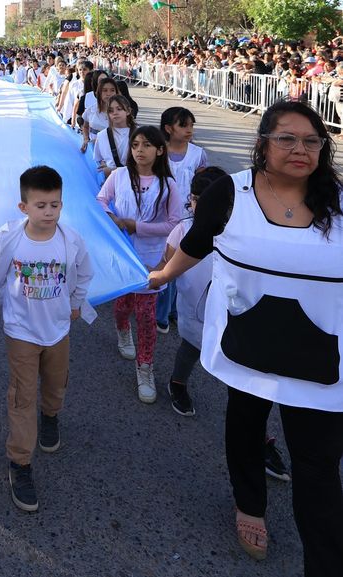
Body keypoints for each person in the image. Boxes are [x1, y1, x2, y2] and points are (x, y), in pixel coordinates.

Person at [149, 101, 343, 573]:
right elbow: (196, 244)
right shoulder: (229, 193)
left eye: (312, 141)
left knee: (318, 469)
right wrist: (158, 277)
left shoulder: (339, 200)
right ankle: (249, 505)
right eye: (287, 139)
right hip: (247, 347)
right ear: (261, 144)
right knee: (245, 426)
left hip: (321, 359)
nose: (301, 149)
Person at [0, 165, 95, 512]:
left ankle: (52, 415)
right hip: (21, 331)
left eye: (55, 205)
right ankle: (20, 462)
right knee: (22, 395)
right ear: (23, 207)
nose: (49, 212)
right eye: (41, 205)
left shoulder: (70, 239)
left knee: (56, 383)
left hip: (58, 329)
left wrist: (74, 304)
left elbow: (85, 272)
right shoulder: (8, 237)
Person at [96, 126, 182, 403]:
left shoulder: (169, 185)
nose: (139, 150)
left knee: (146, 316)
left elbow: (174, 223)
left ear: (159, 150)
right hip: (120, 258)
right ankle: (123, 332)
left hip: (151, 262)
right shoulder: (119, 176)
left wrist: (136, 226)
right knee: (122, 306)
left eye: (146, 145)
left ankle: (145, 367)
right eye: (135, 145)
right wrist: (111, 218)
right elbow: (101, 201)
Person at [157, 166, 227, 416]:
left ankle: (248, 417)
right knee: (191, 347)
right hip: (193, 306)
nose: (200, 206)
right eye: (196, 199)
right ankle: (178, 383)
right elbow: (167, 266)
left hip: (229, 308)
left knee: (236, 360)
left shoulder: (237, 233)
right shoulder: (183, 230)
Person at [156, 106, 210, 334]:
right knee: (165, 263)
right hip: (161, 218)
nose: (189, 130)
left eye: (191, 125)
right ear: (168, 128)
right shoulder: (159, 152)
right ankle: (161, 313)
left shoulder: (198, 154)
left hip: (187, 218)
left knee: (182, 264)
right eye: (183, 125)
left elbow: (202, 185)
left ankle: (174, 311)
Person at [93, 95, 136, 178]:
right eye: (110, 111)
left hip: (134, 179)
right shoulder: (102, 135)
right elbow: (99, 160)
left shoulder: (139, 133)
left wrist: (113, 170)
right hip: (111, 181)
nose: (115, 113)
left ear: (128, 111)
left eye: (119, 109)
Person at [80, 77, 118, 152]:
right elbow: (85, 127)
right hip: (92, 150)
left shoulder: (121, 113)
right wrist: (86, 139)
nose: (108, 94)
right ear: (99, 92)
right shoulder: (91, 110)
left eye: (112, 90)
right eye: (105, 90)